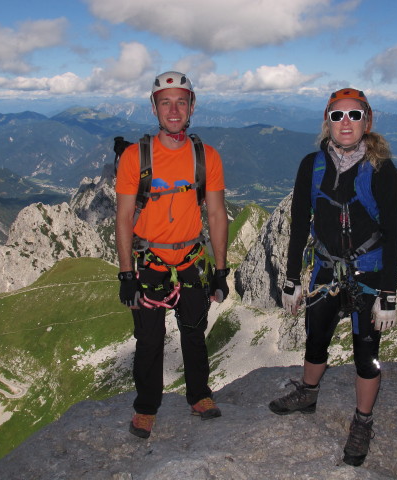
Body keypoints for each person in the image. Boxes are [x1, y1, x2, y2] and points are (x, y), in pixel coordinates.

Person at [268, 88, 397, 466]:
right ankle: (308, 393)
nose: (346, 123)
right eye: (338, 115)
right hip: (327, 269)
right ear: (327, 121)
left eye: (355, 116)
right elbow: (298, 223)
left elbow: (393, 232)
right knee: (316, 337)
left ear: (368, 122)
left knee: (366, 354)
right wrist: (292, 278)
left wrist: (388, 294)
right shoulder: (311, 165)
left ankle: (362, 422)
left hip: (369, 272)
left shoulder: (382, 170)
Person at [115, 71, 229, 439]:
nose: (174, 109)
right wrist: (126, 274)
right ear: (154, 108)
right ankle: (146, 407)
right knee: (149, 339)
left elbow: (215, 214)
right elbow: (123, 218)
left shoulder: (206, 156)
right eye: (166, 102)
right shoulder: (135, 157)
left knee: (195, 332)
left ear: (192, 105)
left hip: (191, 260)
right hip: (150, 263)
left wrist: (221, 271)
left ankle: (199, 396)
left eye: (181, 101)